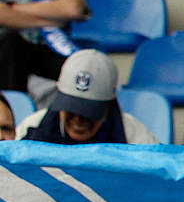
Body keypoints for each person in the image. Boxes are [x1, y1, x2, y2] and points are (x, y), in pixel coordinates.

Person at [18, 48, 156, 144]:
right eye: (71, 109)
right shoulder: (32, 129)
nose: (78, 120)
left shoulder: (135, 136)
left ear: (109, 106)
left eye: (88, 113)